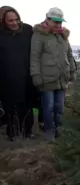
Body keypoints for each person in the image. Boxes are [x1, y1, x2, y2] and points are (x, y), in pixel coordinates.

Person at [30, 7, 76, 141]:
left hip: (62, 78)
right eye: (55, 21)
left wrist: (72, 71)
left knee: (60, 107)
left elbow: (69, 54)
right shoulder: (39, 35)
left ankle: (59, 132)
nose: (58, 25)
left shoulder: (63, 36)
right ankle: (49, 133)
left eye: (60, 22)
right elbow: (35, 57)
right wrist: (36, 75)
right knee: (48, 107)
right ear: (47, 19)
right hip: (47, 79)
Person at [0, 6, 38, 141]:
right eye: (10, 21)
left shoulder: (28, 30)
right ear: (3, 21)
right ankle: (12, 133)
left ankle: (27, 132)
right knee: (11, 107)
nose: (14, 23)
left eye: (17, 19)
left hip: (27, 76)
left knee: (27, 106)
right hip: (7, 78)